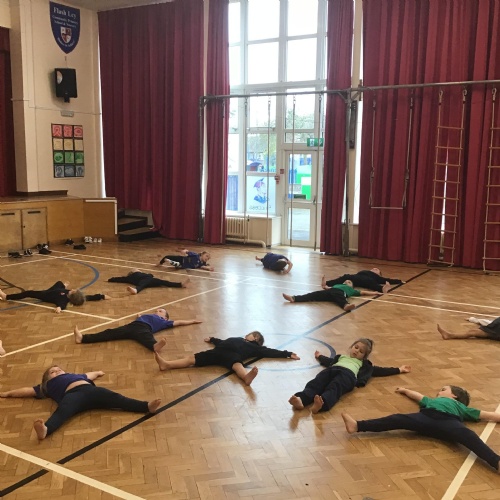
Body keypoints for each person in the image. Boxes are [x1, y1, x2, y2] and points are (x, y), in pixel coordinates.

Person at [341, 385, 500, 473]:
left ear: (454, 397)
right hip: (425, 418)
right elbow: (418, 396)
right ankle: (357, 425)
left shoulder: (460, 407)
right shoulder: (431, 401)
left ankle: (496, 461)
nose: (438, 391)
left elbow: (488, 415)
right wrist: (405, 391)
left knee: (470, 437)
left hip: (449, 422)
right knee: (397, 419)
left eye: (443, 389)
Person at [0, 365, 162, 440]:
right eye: (52, 372)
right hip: (72, 396)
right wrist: (7, 394)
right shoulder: (47, 386)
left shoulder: (75, 375)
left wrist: (98, 372)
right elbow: (27, 390)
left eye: (58, 369)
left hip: (91, 391)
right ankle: (45, 430)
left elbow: (88, 375)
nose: (57, 371)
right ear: (47, 379)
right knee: (61, 413)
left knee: (117, 398)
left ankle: (146, 406)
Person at [289, 339, 411, 414]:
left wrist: (399, 369)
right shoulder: (341, 357)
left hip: (347, 375)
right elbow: (329, 361)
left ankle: (321, 405)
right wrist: (320, 356)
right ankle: (302, 400)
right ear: (351, 347)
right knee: (316, 382)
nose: (357, 351)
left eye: (361, 351)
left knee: (335, 387)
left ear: (364, 356)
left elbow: (380, 370)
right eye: (356, 347)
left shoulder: (364, 364)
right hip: (332, 370)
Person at [154, 331, 300, 386]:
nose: (247, 335)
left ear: (255, 338)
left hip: (233, 355)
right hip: (219, 350)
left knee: (237, 366)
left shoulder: (255, 347)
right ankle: (167, 364)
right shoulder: (238, 339)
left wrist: (287, 353)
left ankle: (246, 377)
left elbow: (270, 352)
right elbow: (223, 342)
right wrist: (213, 339)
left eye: (250, 334)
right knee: (192, 358)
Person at [74, 308, 201, 352]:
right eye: (157, 310)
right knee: (110, 332)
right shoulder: (148, 315)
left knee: (147, 339)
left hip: (144, 329)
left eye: (160, 311)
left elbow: (179, 322)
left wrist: (192, 321)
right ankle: (83, 338)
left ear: (166, 317)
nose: (157, 311)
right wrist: (139, 316)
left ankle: (155, 346)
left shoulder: (164, 322)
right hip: (132, 326)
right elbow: (140, 317)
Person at [0, 281, 110, 313]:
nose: (73, 289)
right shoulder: (69, 293)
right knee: (60, 283)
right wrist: (101, 296)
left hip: (46, 294)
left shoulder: (63, 300)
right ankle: (62, 285)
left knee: (28, 293)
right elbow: (88, 297)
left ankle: (6, 296)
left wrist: (59, 308)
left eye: (74, 290)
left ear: (72, 295)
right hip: (55, 290)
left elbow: (62, 305)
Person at [282, 279, 381, 312]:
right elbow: (325, 287)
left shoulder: (352, 290)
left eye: (349, 282)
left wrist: (375, 293)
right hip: (330, 292)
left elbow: (363, 292)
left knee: (340, 298)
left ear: (352, 286)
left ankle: (345, 305)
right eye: (346, 281)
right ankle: (294, 298)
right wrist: (323, 283)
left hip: (339, 293)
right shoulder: (336, 285)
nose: (347, 282)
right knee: (313, 295)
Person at [322, 268, 405, 294]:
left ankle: (381, 289)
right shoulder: (365, 271)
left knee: (371, 283)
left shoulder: (376, 277)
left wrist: (399, 281)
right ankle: (327, 283)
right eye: (374, 268)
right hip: (356, 278)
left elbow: (387, 279)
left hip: (368, 280)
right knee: (345, 276)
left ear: (379, 274)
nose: (374, 269)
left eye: (377, 270)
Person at [107, 269, 189, 294]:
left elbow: (120, 279)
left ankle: (180, 284)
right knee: (163, 282)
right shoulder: (132, 276)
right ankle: (136, 290)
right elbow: (120, 279)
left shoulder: (129, 278)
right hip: (146, 280)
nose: (137, 269)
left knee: (164, 282)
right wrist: (111, 279)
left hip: (149, 281)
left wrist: (111, 279)